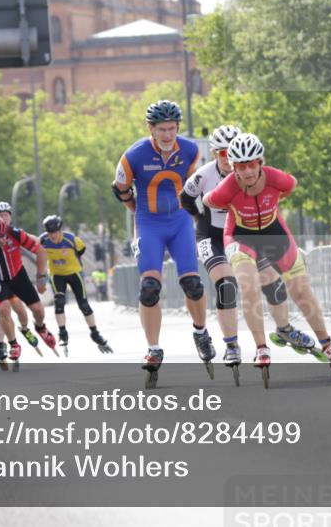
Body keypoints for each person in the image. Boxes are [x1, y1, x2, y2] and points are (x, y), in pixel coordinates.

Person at [203, 133, 331, 379]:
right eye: (240, 167)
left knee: (301, 290)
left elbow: (291, 185)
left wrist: (271, 203)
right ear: (233, 168)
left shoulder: (277, 179)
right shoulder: (227, 188)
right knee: (249, 285)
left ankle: (328, 345)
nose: (246, 172)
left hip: (274, 231)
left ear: (260, 162)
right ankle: (261, 347)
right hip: (239, 235)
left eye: (252, 165)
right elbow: (208, 200)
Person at [180, 124, 315, 377]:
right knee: (227, 286)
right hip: (213, 235)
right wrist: (199, 218)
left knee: (273, 285)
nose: (227, 159)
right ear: (214, 154)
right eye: (221, 154)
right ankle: (231, 344)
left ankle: (284, 329)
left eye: (229, 153)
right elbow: (185, 198)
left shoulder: (249, 171)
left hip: (244, 235)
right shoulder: (204, 176)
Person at [111, 99, 214, 384]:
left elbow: (192, 184)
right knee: (149, 288)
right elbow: (119, 189)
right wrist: (138, 212)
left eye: (172, 129)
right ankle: (154, 349)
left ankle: (201, 331)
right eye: (162, 130)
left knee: (193, 285)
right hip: (149, 223)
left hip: (180, 222)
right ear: (151, 129)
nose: (168, 135)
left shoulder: (190, 150)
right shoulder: (133, 155)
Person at [0, 212, 55, 363]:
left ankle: (40, 327)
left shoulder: (14, 233)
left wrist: (41, 277)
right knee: (3, 309)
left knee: (38, 309)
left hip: (18, 275)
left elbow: (40, 250)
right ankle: (13, 344)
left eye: (2, 235)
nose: (1, 240)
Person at [40, 214, 111, 355]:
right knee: (59, 302)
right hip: (56, 275)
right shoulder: (43, 241)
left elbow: (81, 251)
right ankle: (62, 333)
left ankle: (95, 333)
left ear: (60, 230)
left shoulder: (72, 240)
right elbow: (38, 254)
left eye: (55, 232)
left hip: (74, 274)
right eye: (50, 233)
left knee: (84, 305)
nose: (53, 236)